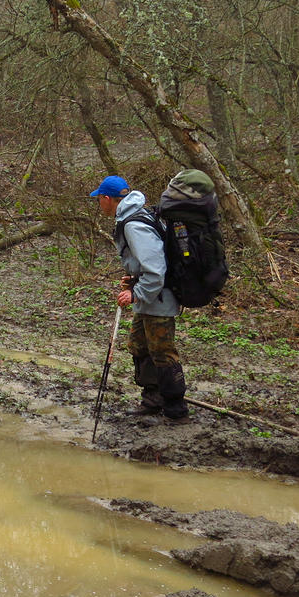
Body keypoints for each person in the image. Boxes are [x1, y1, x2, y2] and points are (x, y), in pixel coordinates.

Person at [90, 175, 189, 421]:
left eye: (98, 200)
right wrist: (132, 281)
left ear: (106, 199)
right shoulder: (135, 216)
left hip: (159, 299)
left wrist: (137, 293)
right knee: (139, 346)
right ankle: (153, 401)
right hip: (149, 297)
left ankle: (176, 411)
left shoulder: (134, 225)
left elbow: (156, 269)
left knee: (163, 353)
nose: (98, 205)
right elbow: (144, 264)